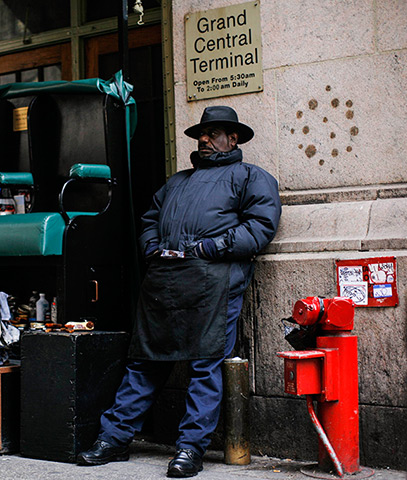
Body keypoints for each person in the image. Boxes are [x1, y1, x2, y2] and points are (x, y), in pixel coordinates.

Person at [77, 106, 282, 477]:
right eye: (201, 133)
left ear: (232, 138)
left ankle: (190, 449)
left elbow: (260, 227)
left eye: (213, 132)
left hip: (214, 283)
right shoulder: (176, 182)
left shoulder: (252, 177)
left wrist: (210, 248)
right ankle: (114, 437)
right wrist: (153, 247)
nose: (204, 139)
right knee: (144, 362)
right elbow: (149, 221)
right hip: (163, 282)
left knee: (206, 366)